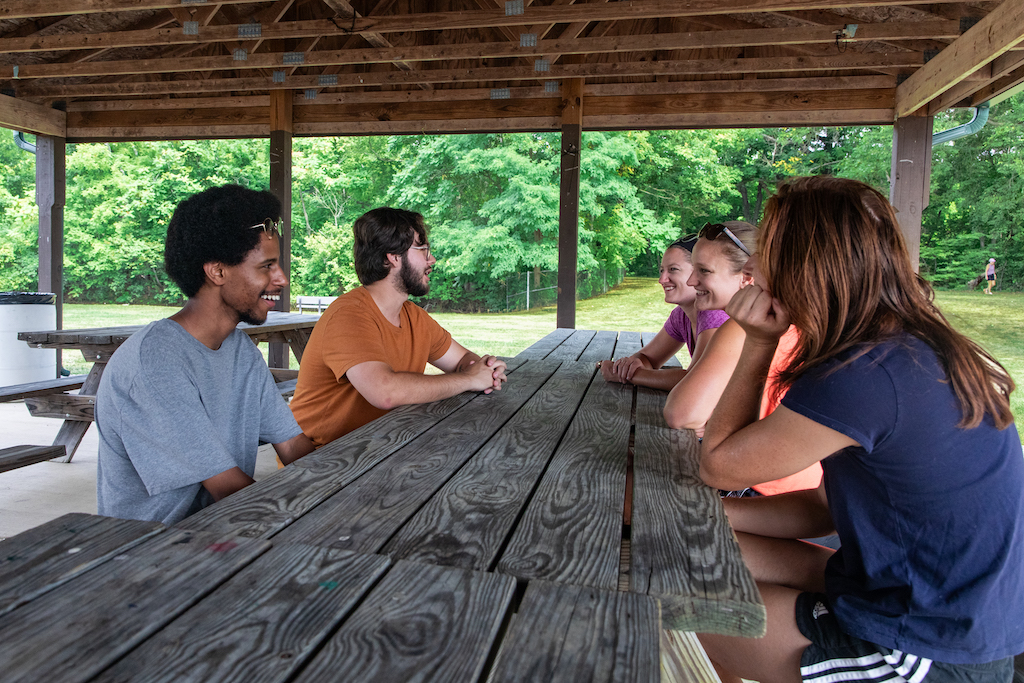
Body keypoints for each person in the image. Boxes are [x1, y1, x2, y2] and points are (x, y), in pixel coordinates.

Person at [698, 176, 1024, 682]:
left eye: (769, 248)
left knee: (677, 600)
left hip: (925, 648)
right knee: (681, 549)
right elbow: (822, 507)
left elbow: (718, 464)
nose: (755, 266)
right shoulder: (904, 346)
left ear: (806, 263)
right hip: (939, 614)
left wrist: (757, 340)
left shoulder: (867, 374)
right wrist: (698, 516)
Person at [96, 184, 315, 525]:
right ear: (217, 272)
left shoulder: (240, 350)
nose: (282, 279)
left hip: (219, 535)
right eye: (266, 266)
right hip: (153, 557)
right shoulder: (155, 362)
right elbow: (229, 489)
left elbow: (295, 447)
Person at [290, 207, 508, 447]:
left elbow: (461, 360)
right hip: (321, 463)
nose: (432, 260)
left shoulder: (413, 316)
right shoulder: (349, 315)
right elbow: (384, 392)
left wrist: (484, 371)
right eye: (423, 249)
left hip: (384, 447)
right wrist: (469, 380)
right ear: (392, 256)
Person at [598, 236, 729, 390]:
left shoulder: (714, 315)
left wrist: (632, 375)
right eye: (661, 270)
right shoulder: (681, 316)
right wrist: (629, 367)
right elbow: (648, 358)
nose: (662, 279)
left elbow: (695, 380)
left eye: (673, 269)